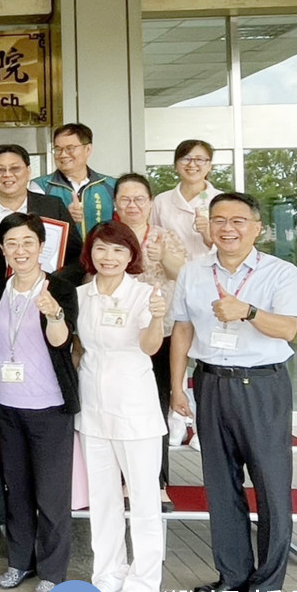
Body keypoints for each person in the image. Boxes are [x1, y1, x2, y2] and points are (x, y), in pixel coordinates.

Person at [169, 192, 297, 592]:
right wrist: (178, 387)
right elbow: (182, 330)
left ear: (256, 227)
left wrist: (247, 310)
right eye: (218, 220)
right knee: (220, 486)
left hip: (262, 385)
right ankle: (232, 580)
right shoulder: (193, 272)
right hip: (210, 383)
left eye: (238, 220)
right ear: (208, 227)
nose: (227, 228)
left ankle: (265, 590)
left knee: (270, 487)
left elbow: (288, 330)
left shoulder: (279, 273)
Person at [0, 213, 80, 592]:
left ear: (42, 246)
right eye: (12, 243)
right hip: (6, 403)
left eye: (27, 243)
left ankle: (53, 572)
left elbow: (62, 341)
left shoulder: (60, 288)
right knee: (17, 488)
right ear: (3, 249)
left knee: (52, 494)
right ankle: (19, 561)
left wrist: (53, 312)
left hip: (49, 405)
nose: (20, 250)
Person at [75, 221, 168, 592]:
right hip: (94, 409)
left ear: (131, 255)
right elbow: (79, 348)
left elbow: (149, 347)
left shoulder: (145, 294)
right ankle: (108, 573)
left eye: (117, 250)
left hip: (135, 409)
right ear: (90, 252)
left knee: (144, 499)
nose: (108, 257)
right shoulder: (81, 294)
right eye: (101, 249)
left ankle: (145, 580)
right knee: (104, 499)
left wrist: (158, 318)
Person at [114, 173, 186, 507]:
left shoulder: (165, 236)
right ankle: (122, 479)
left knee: (154, 408)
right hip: (117, 336)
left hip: (160, 335)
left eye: (139, 199)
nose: (132, 205)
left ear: (151, 203)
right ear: (116, 203)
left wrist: (162, 256)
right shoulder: (108, 236)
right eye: (125, 199)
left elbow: (182, 275)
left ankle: (157, 480)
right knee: (120, 407)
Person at [0, 144, 83, 309]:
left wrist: (53, 280)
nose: (7, 175)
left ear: (28, 171)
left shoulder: (53, 207)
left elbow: (77, 258)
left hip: (48, 300)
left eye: (15, 168)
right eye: (0, 170)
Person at [32, 123, 116, 239]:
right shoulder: (41, 186)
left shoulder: (111, 185)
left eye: (70, 148)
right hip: (64, 256)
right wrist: (65, 217)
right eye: (58, 149)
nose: (63, 154)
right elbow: (35, 229)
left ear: (88, 149)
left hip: (102, 255)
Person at [150, 139, 221, 261]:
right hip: (172, 274)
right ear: (175, 166)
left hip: (212, 272)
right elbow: (152, 238)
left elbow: (233, 246)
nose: (192, 164)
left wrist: (208, 237)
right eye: (186, 159)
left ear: (209, 166)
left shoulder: (222, 201)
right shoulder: (161, 201)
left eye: (200, 159)